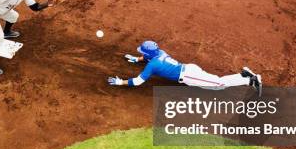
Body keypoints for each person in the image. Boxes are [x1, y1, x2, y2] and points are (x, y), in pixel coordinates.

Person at [108, 41, 263, 96]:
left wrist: (120, 82)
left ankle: (248, 78)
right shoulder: (159, 53)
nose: (140, 54)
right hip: (189, 70)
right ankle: (247, 79)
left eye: (141, 53)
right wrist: (136, 59)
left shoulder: (152, 65)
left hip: (188, 75)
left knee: (218, 84)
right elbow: (148, 57)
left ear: (148, 53)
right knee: (215, 87)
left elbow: (137, 82)